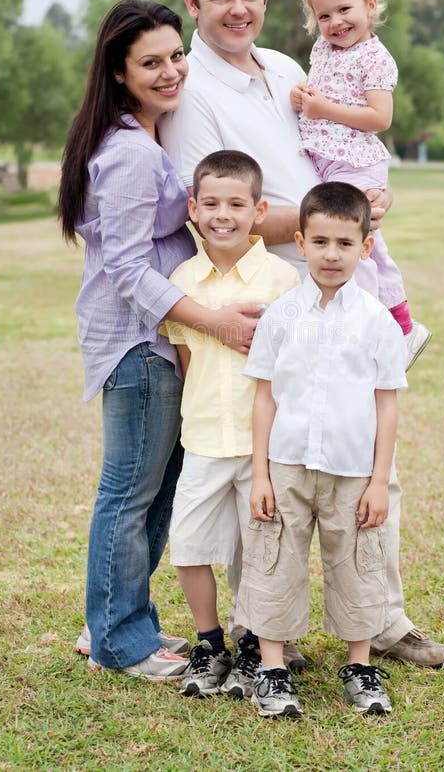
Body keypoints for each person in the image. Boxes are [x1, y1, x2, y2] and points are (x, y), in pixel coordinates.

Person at [160, 0, 444, 669]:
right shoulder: (191, 93)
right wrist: (333, 222)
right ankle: (270, 639)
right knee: (276, 472)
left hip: (343, 284)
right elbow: (221, 209)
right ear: (194, 4)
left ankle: (385, 622)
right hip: (273, 296)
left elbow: (339, 155)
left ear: (269, 1)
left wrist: (366, 201)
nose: (239, 8)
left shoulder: (292, 68)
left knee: (368, 464)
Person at [58, 0, 261, 681]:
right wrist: (216, 323)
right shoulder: (129, 155)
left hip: (159, 341)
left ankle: (126, 623)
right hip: (139, 344)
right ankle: (118, 641)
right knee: (129, 495)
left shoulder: (144, 142)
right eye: (151, 62)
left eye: (176, 55)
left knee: (154, 490)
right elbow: (125, 269)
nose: (171, 70)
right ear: (119, 73)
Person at [236, 182, 407, 717]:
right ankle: (272, 670)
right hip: (285, 466)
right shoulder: (282, 316)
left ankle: (359, 666)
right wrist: (260, 475)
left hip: (353, 470)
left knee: (358, 562)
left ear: (365, 247)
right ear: (300, 242)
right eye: (321, 241)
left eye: (345, 243)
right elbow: (264, 399)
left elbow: (386, 407)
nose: (332, 254)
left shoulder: (377, 322)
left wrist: (379, 482)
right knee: (274, 562)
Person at [163, 150, 300, 699]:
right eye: (211, 203)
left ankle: (252, 645)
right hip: (201, 439)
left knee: (259, 549)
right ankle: (209, 643)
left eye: (237, 204)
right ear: (193, 210)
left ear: (259, 210)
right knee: (189, 546)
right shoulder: (181, 280)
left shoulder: (283, 279)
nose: (224, 214)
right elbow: (186, 360)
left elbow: (292, 368)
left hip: (260, 445)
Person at [291, 0, 430, 368]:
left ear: (370, 6)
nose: (334, 23)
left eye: (344, 10)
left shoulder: (375, 58)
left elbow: (379, 117)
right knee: (365, 244)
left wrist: (321, 109)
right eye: (324, 16)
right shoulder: (323, 52)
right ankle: (400, 327)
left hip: (356, 161)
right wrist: (303, 97)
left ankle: (377, 327)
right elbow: (320, 95)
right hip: (328, 160)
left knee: (358, 246)